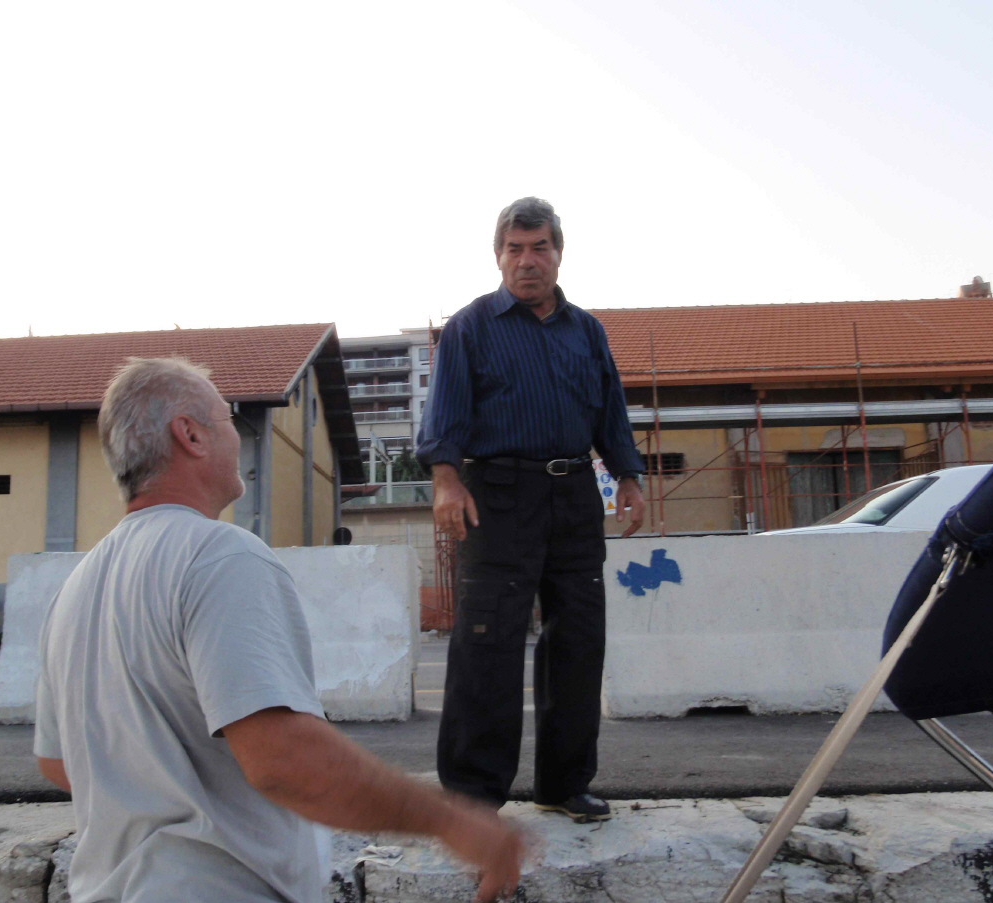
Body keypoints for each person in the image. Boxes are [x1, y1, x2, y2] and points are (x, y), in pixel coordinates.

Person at [33, 357, 523, 903]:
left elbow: (58, 762)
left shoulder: (74, 589)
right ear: (190, 435)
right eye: (228, 419)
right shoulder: (219, 555)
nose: (237, 437)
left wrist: (164, 786)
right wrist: (453, 822)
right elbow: (283, 760)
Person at [416, 197, 646, 822]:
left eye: (539, 247)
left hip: (574, 495)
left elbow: (609, 409)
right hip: (496, 496)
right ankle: (472, 795)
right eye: (514, 249)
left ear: (558, 254)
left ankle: (564, 784)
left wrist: (627, 476)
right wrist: (445, 481)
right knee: (487, 640)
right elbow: (445, 414)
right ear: (498, 257)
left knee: (579, 637)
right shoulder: (470, 328)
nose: (527, 261)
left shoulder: (586, 331)